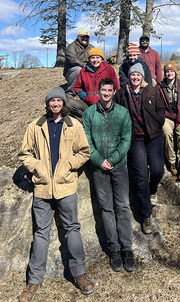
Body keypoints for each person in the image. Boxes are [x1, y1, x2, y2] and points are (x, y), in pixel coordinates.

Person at [18, 87, 94, 302]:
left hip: (66, 187)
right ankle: (33, 281)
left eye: (58, 101)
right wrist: (38, 168)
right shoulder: (36, 125)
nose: (55, 104)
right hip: (42, 188)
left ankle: (79, 273)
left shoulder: (74, 125)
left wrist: (69, 165)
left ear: (63, 103)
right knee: (41, 233)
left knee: (72, 228)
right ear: (47, 103)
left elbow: (84, 152)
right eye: (51, 101)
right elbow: (24, 153)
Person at [82, 78, 135, 273]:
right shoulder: (89, 114)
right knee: (106, 209)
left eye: (109, 90)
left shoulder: (122, 113)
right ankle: (114, 249)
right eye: (103, 90)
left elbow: (126, 139)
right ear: (98, 92)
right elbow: (86, 140)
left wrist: (112, 159)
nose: (106, 93)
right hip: (98, 168)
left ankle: (127, 248)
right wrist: (98, 160)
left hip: (119, 166)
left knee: (122, 206)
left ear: (114, 91)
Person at [115, 63, 165, 234]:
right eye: (132, 75)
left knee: (158, 170)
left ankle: (153, 190)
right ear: (129, 77)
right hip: (135, 139)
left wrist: (158, 122)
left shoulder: (152, 90)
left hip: (154, 136)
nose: (135, 77)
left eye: (138, 75)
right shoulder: (122, 93)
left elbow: (161, 110)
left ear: (142, 77)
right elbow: (116, 112)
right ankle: (146, 215)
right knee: (141, 175)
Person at [156, 62, 180, 182]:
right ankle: (172, 163)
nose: (169, 73)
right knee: (166, 133)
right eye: (167, 71)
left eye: (172, 71)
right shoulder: (160, 87)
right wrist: (168, 115)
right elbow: (158, 105)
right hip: (167, 116)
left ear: (175, 73)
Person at [68, 48, 120, 121]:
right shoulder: (83, 71)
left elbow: (116, 87)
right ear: (89, 59)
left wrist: (108, 100)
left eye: (97, 57)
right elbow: (77, 87)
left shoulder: (109, 69)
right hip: (88, 104)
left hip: (105, 104)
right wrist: (86, 97)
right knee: (70, 104)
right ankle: (87, 120)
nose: (95, 60)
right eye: (92, 57)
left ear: (102, 59)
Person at [63, 30, 94, 97]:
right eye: (83, 37)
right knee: (78, 70)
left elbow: (97, 56)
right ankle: (70, 93)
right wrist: (84, 65)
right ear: (78, 37)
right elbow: (72, 59)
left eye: (87, 37)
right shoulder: (71, 47)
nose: (85, 39)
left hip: (87, 69)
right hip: (72, 71)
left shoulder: (91, 47)